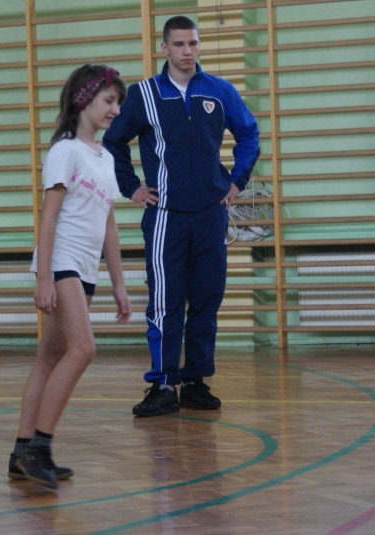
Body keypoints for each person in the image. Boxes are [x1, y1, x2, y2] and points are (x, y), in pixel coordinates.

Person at [103, 15, 260, 417]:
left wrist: (237, 182)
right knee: (164, 302)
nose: (187, 51)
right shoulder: (144, 94)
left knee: (206, 299)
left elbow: (249, 134)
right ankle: (162, 384)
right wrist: (131, 187)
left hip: (210, 214)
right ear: (164, 48)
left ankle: (195, 382)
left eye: (193, 43)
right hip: (165, 217)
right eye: (179, 44)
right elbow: (114, 141)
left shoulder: (220, 91)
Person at [9, 64, 132, 488]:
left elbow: (109, 225)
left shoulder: (105, 157)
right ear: (84, 99)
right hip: (61, 263)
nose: (115, 109)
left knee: (49, 357)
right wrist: (43, 278)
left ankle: (21, 451)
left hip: (85, 268)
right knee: (83, 349)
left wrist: (119, 284)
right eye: (109, 100)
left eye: (118, 103)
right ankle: (39, 448)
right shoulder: (65, 150)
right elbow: (49, 218)